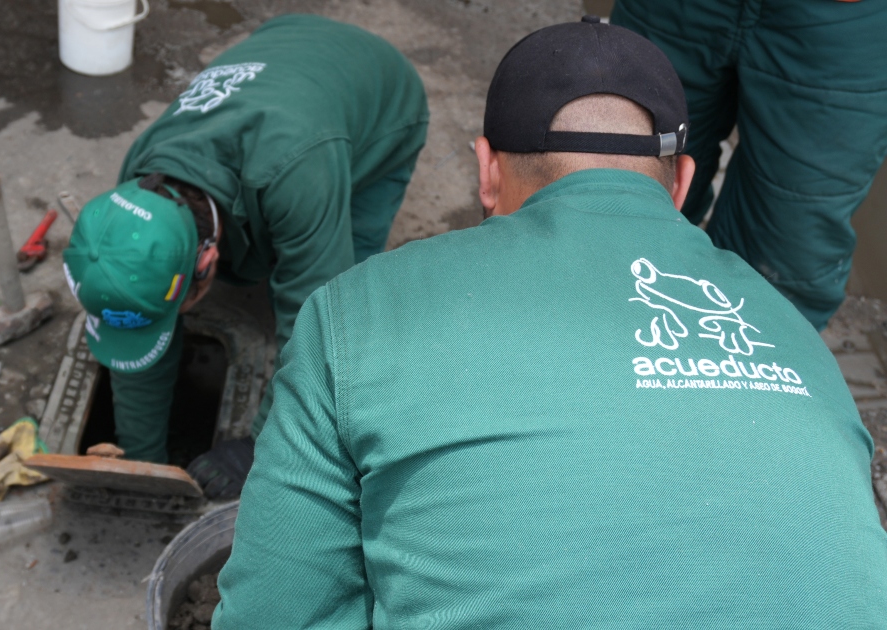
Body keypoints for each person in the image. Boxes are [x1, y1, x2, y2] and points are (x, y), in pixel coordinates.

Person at [213, 18, 887, 628]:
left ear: (485, 170)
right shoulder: (792, 334)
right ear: (680, 183)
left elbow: (274, 613)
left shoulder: (356, 314)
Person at [61, 14, 428, 498]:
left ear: (206, 262)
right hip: (280, 47)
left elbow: (320, 331)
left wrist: (259, 445)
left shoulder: (297, 173)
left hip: (382, 97)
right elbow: (137, 336)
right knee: (283, 250)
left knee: (346, 290)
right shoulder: (139, 177)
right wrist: (142, 460)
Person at [609, 1, 887, 330]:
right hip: (675, 10)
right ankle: (603, 360)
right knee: (617, 212)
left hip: (844, 22)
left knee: (783, 267)